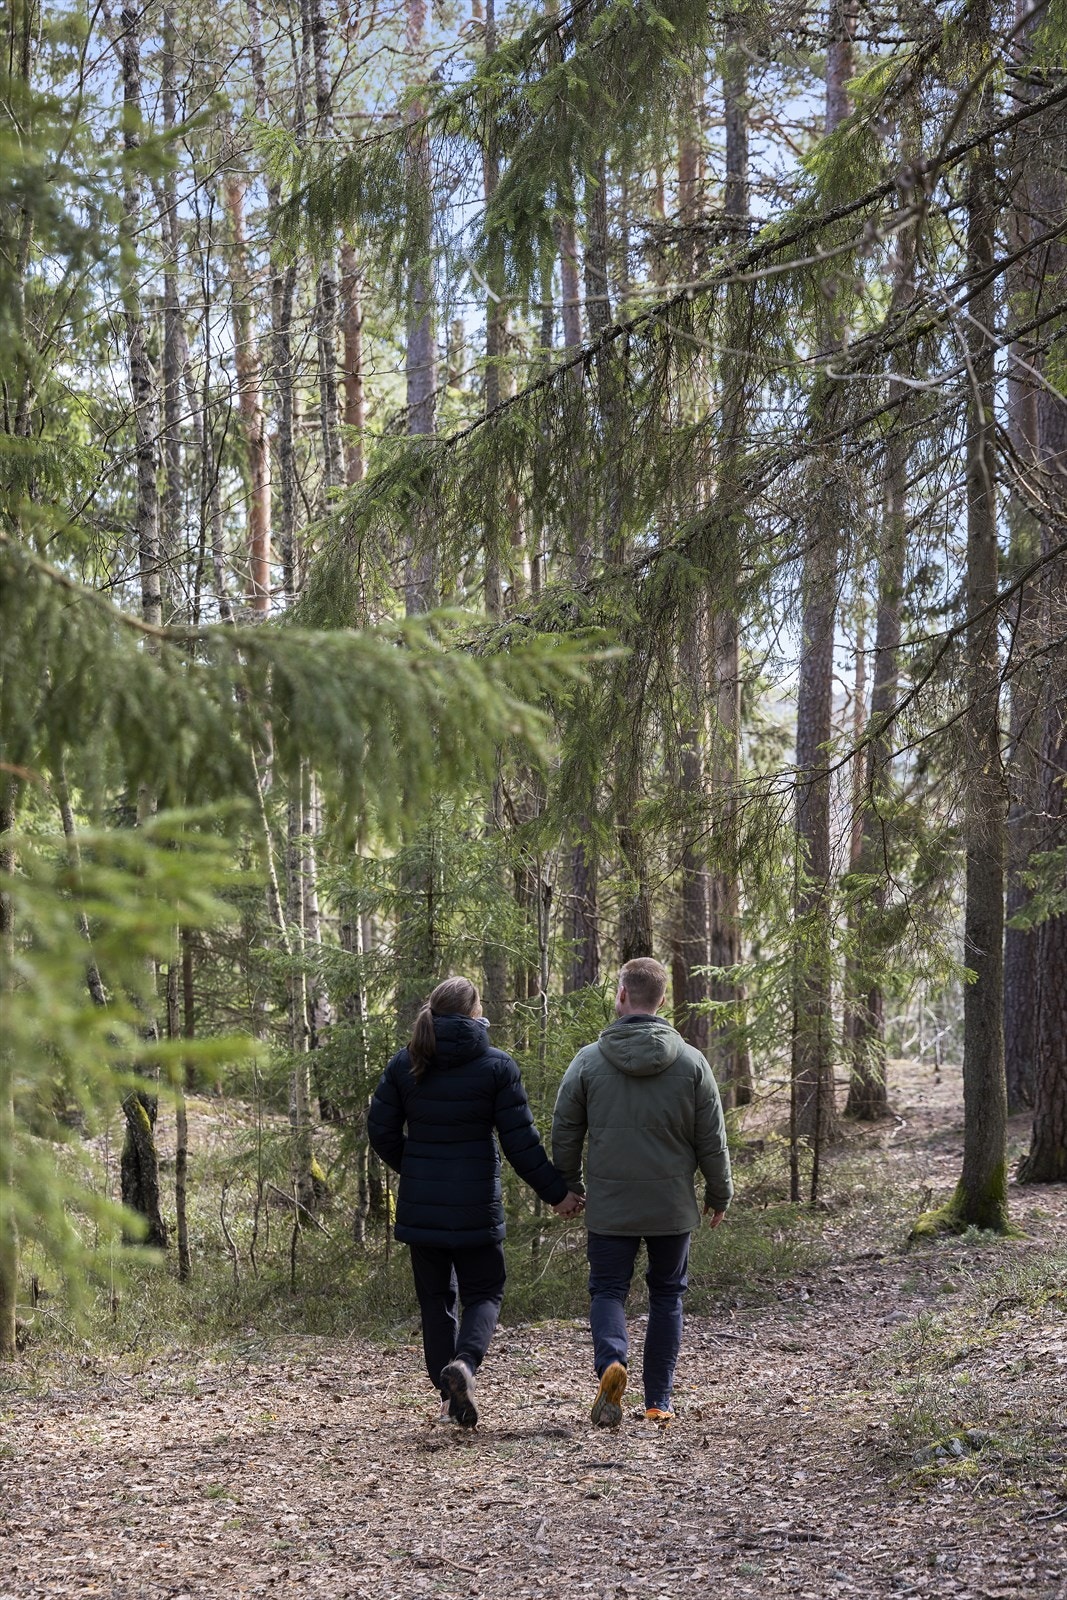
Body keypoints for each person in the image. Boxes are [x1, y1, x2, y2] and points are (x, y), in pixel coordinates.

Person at [369, 975, 582, 1428]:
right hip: (476, 1206)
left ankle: (448, 1399)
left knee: (435, 1301)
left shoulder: (406, 1063)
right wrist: (558, 1193)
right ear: (474, 1012)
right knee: (484, 1291)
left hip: (423, 1207)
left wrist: (418, 1169)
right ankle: (464, 1365)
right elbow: (520, 1143)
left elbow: (380, 1131)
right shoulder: (496, 1065)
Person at [551, 956, 733, 1426]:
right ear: (662, 1000)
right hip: (671, 1206)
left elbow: (565, 1130)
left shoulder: (588, 1061)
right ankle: (658, 1402)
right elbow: (711, 1139)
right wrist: (720, 1193)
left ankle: (612, 1363)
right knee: (667, 1295)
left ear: (621, 995)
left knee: (609, 1289)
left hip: (611, 1206)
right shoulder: (692, 1062)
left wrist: (567, 1186)